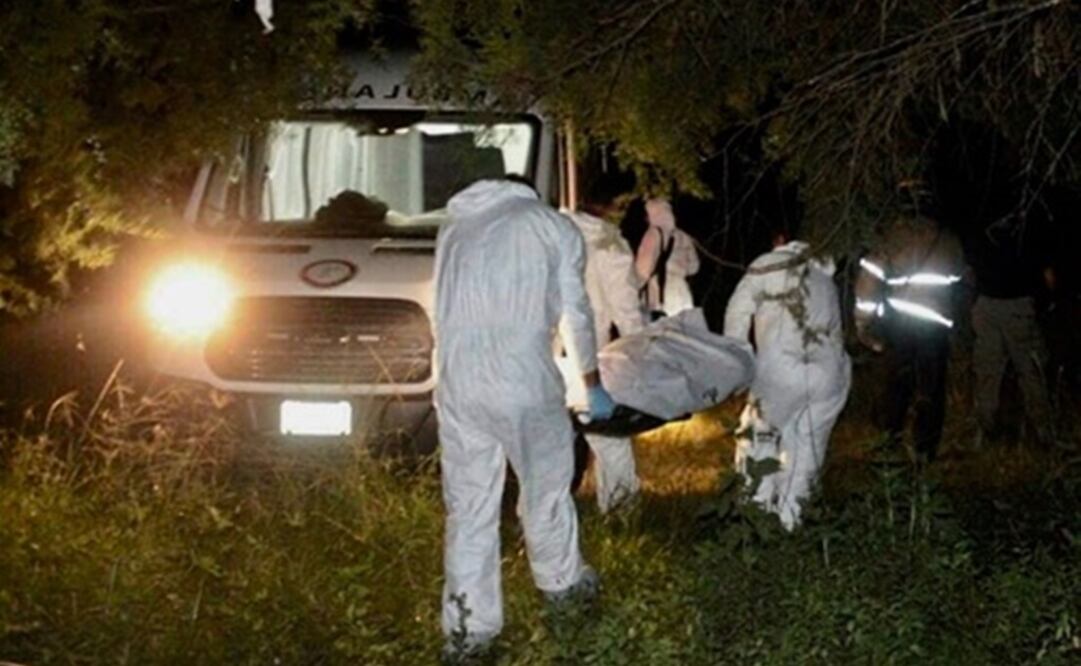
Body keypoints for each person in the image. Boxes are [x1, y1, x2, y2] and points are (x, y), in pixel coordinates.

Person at [433, 178, 615, 658]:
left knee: (469, 508)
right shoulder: (552, 225)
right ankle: (563, 591)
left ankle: (468, 629)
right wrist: (591, 383)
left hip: (457, 385)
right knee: (546, 492)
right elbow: (577, 312)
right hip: (523, 383)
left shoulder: (455, 228)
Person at [724, 225, 851, 530]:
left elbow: (736, 315)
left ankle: (755, 516)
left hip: (780, 369)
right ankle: (791, 520)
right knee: (807, 446)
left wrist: (736, 370)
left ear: (779, 239)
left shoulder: (766, 264)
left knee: (758, 437)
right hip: (831, 373)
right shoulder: (824, 275)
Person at [854, 199, 965, 463]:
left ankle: (888, 446)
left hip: (900, 325)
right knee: (932, 389)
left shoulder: (891, 238)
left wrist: (863, 325)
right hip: (935, 326)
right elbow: (959, 280)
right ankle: (925, 451)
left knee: (895, 385)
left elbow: (868, 284)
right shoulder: (948, 240)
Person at [565, 173, 647, 513]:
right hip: (588, 351)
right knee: (608, 436)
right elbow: (625, 308)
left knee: (548, 438)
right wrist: (642, 349)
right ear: (617, 204)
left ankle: (538, 517)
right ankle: (620, 510)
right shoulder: (609, 244)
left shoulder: (557, 228)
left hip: (544, 348)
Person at [964, 214, 1056, 447]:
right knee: (1031, 370)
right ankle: (1044, 433)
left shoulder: (981, 228)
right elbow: (1047, 274)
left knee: (988, 371)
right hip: (1017, 306)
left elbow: (968, 272)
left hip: (987, 305)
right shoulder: (1027, 228)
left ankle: (984, 433)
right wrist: (1048, 301)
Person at [635, 198, 699, 318]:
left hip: (660, 290)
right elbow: (694, 267)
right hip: (682, 290)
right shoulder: (683, 236)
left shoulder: (654, 234)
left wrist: (633, 288)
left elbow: (643, 269)